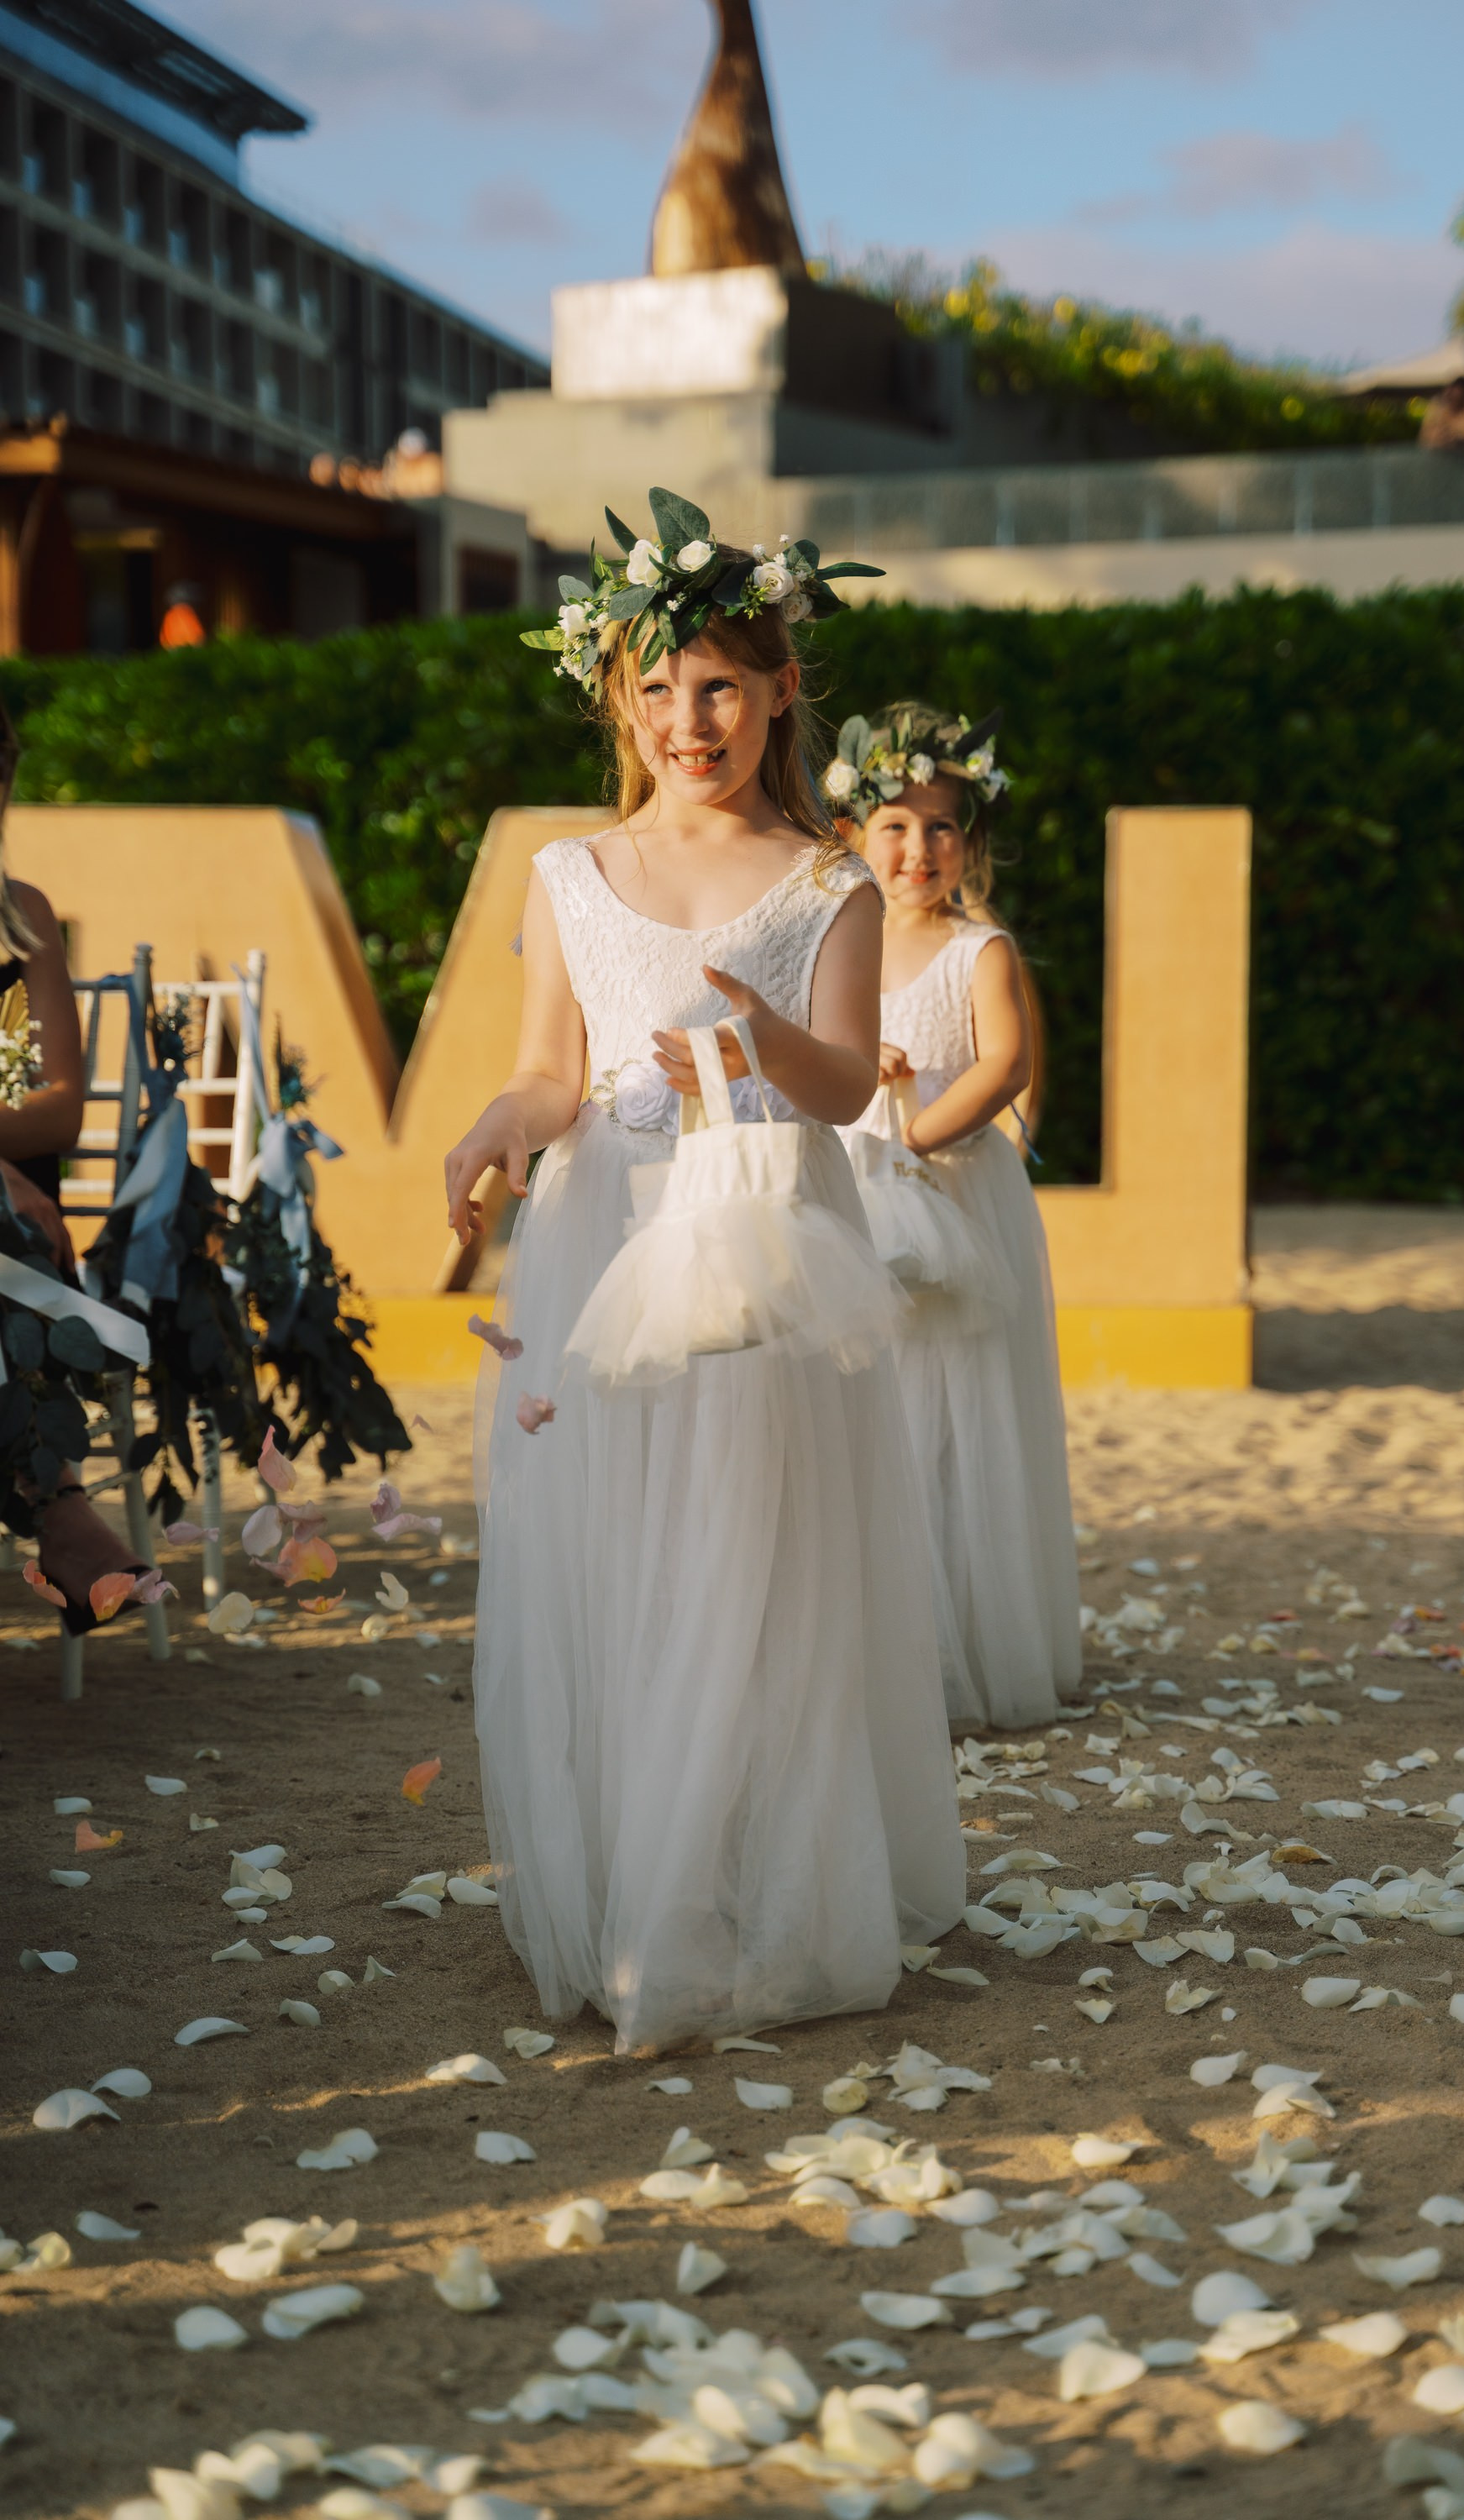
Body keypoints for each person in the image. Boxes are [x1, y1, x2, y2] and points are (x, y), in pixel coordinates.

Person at [444, 496, 963, 2055]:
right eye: (660, 690)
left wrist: (758, 1031)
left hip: (763, 1239)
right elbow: (553, 1071)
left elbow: (849, 1089)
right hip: (606, 1235)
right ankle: (638, 1884)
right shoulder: (570, 873)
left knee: (752, 1555)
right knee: (621, 1550)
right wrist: (498, 1122)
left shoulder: (827, 885)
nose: (692, 722)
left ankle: (748, 1890)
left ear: (782, 692)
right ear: (618, 698)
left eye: (723, 687)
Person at [827, 702, 1082, 1730]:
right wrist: (856, 1069)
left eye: (940, 828)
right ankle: (878, 1642)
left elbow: (1004, 1064)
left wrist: (914, 1138)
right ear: (852, 833)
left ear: (969, 844)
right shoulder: (832, 941)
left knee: (956, 1412)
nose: (917, 849)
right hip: (856, 1180)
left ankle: (970, 1643)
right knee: (871, 1405)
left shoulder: (980, 949)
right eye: (894, 826)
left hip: (951, 1188)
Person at [0, 860, 153, 1626]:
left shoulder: (18, 912)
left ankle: (55, 1500)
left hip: (20, 1238)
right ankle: (59, 1504)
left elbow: (62, 1111)